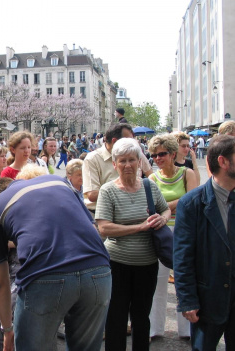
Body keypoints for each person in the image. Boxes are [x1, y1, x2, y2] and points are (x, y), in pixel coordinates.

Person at [0, 174, 111, 351]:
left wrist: (8, 330)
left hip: (45, 277)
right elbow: (93, 228)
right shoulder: (59, 181)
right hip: (98, 270)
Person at [96, 138, 171, 351]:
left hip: (147, 264)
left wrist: (163, 219)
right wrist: (139, 227)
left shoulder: (149, 186)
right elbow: (105, 228)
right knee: (116, 317)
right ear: (115, 164)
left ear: (139, 161)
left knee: (141, 317)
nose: (127, 165)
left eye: (131, 160)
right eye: (122, 161)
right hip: (117, 264)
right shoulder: (108, 190)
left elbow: (165, 209)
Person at [174, 134, 235, 350]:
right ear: (223, 162)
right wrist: (187, 299)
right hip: (207, 300)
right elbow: (182, 256)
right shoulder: (192, 203)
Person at [147, 134, 196, 340]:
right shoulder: (151, 179)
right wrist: (176, 203)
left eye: (162, 154)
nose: (158, 159)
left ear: (173, 153)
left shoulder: (188, 173)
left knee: (184, 280)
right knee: (158, 281)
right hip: (161, 233)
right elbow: (151, 207)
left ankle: (187, 330)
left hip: (184, 231)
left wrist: (167, 206)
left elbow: (191, 200)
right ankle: (155, 329)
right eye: (154, 155)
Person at [83, 123, 153, 217]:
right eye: (128, 142)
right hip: (103, 215)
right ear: (115, 141)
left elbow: (152, 177)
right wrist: (127, 191)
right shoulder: (93, 159)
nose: (133, 144)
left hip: (135, 211)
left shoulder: (136, 154)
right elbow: (92, 194)